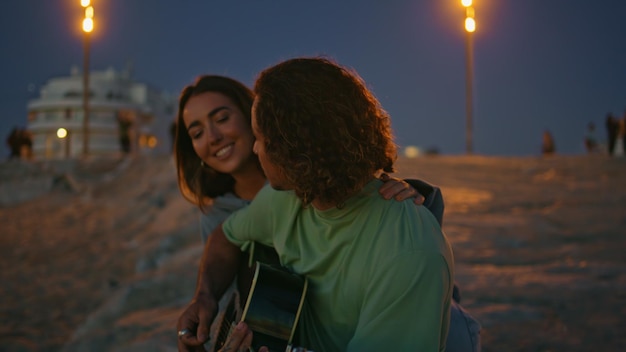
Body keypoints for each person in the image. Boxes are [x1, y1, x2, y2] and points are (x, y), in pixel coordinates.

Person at [177, 57, 456, 351]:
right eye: (197, 133)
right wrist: (205, 297)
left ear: (294, 147)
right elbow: (226, 234)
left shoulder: (408, 252)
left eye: (261, 138)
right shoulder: (281, 199)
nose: (256, 148)